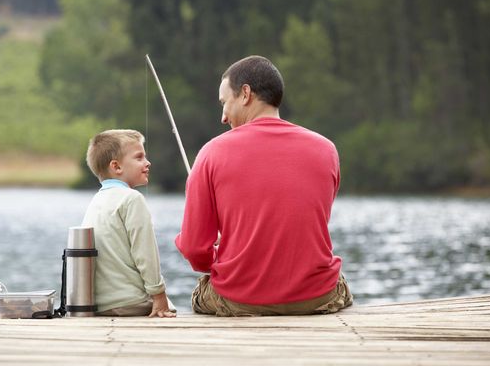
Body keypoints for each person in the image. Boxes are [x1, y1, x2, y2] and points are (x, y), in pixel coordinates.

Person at [175, 55, 352, 316]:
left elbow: (193, 249)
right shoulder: (327, 149)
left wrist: (216, 257)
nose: (223, 117)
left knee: (201, 292)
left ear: (245, 94)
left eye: (225, 103)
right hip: (316, 297)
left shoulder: (211, 153)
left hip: (239, 299)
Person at [82, 129, 175, 318]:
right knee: (170, 307)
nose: (147, 163)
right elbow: (145, 252)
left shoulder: (96, 201)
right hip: (130, 302)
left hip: (100, 305)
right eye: (139, 157)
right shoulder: (132, 199)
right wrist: (159, 294)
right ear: (116, 167)